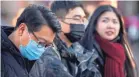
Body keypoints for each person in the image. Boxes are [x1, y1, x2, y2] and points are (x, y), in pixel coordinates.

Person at [1, 4, 61, 77]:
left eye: (47, 45)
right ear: (22, 29)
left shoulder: (39, 61)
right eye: (41, 43)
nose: (42, 50)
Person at [80, 5, 137, 77]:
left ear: (120, 26)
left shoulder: (122, 51)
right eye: (105, 21)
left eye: (115, 22)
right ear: (95, 24)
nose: (110, 26)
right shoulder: (85, 52)